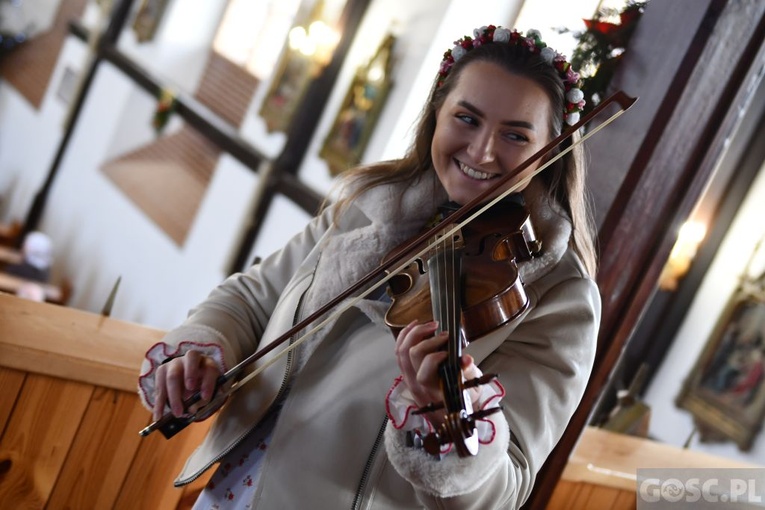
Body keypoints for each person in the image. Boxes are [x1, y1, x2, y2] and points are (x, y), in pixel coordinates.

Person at [138, 25, 599, 509]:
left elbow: (505, 492)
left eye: (515, 135)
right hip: (237, 489)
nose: (483, 151)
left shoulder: (560, 296)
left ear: (551, 152)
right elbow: (254, 297)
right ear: (436, 114)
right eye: (467, 118)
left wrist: (445, 414)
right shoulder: (373, 205)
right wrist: (204, 352)